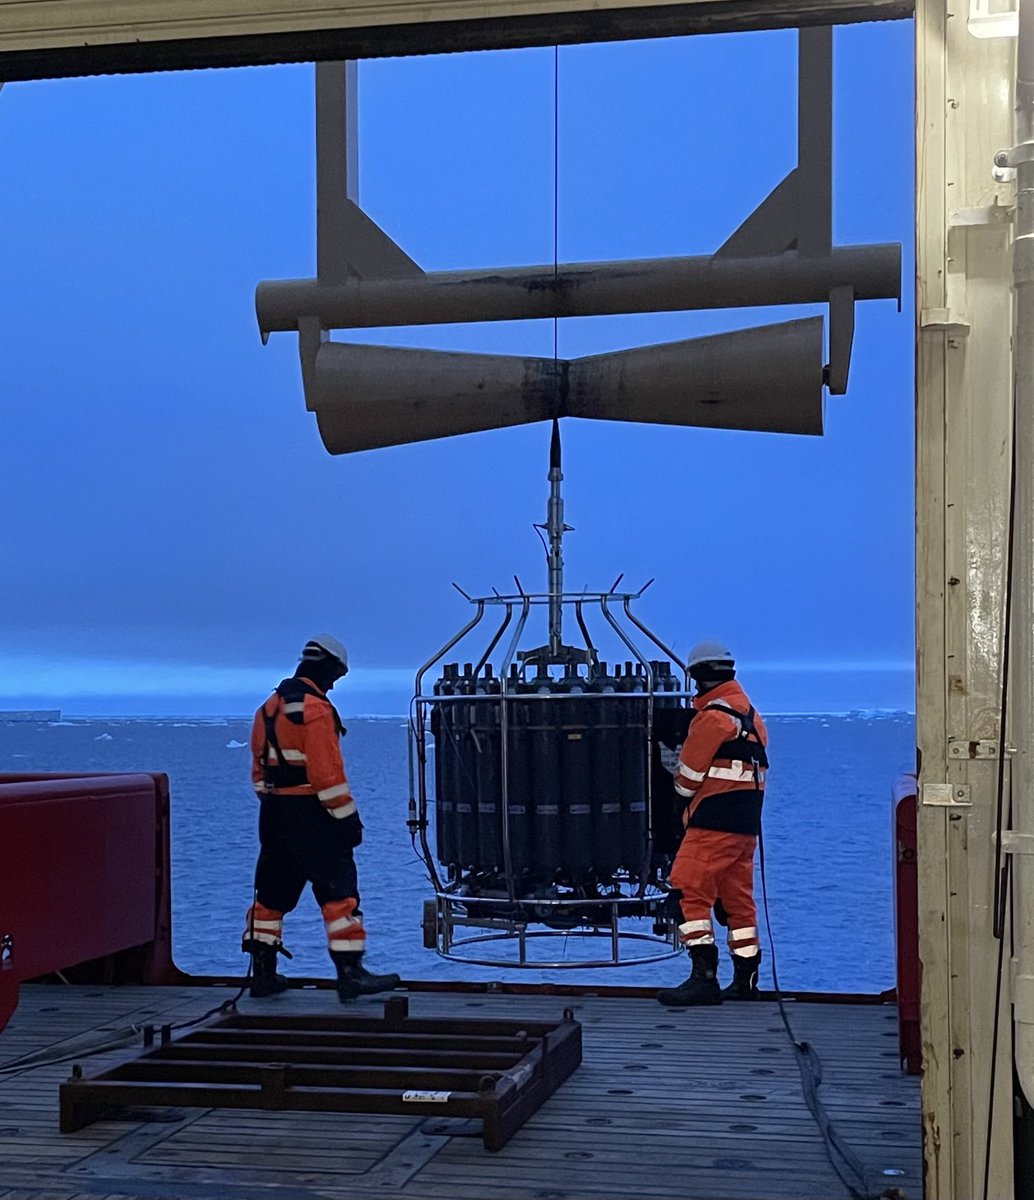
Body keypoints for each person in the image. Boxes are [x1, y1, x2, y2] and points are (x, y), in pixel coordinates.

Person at [241, 634, 401, 1002]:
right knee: (338, 893)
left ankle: (263, 975)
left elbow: (258, 770)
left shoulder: (267, 708)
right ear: (326, 666)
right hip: (313, 815)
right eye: (336, 675)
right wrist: (346, 820)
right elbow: (327, 776)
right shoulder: (315, 710)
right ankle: (350, 974)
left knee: (271, 895)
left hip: (274, 814)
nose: (335, 683)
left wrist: (275, 807)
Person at [657, 640, 768, 1007]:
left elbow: (687, 779)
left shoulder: (711, 719)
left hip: (712, 822)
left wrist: (675, 799)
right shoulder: (751, 716)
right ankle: (746, 981)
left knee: (688, 890)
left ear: (697, 677)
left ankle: (702, 977)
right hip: (745, 825)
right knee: (737, 899)